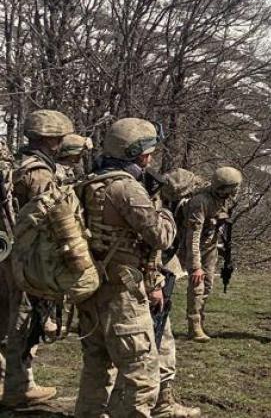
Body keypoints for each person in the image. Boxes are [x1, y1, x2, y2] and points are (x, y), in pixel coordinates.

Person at [74, 117, 177, 418]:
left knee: (96, 367)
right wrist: (167, 208)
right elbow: (161, 236)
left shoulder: (89, 183)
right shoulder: (126, 188)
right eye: (149, 152)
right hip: (122, 295)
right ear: (139, 154)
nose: (151, 158)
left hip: (91, 288)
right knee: (141, 372)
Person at [107, 168, 203, 418]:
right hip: (149, 281)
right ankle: (136, 403)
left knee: (161, 341)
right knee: (146, 347)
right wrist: (154, 284)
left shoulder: (169, 204)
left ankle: (162, 401)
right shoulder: (158, 206)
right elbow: (154, 248)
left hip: (158, 276)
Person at [1, 109, 73, 409]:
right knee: (22, 320)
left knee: (5, 316)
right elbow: (55, 216)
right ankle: (18, 387)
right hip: (27, 257)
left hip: (7, 253)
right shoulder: (39, 173)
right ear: (51, 138)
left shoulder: (17, 166)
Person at [181, 166, 241, 343]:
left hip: (210, 247)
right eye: (233, 187)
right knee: (197, 286)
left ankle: (201, 320)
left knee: (207, 286)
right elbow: (193, 236)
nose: (235, 191)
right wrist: (196, 266)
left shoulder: (223, 200)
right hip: (196, 249)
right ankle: (194, 326)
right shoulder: (200, 202)